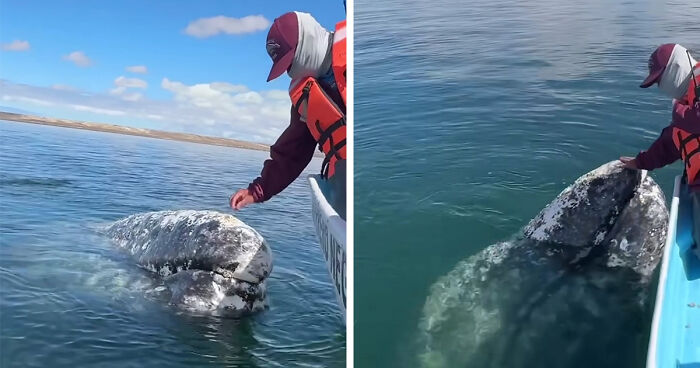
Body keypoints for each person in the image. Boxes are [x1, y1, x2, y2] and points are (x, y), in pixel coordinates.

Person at [229, 12, 347, 219]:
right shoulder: (308, 97)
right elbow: (292, 152)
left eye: (290, 62)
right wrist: (257, 191)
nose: (289, 72)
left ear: (306, 45)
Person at [619, 43, 700, 248]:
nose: (660, 88)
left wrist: (678, 113)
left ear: (676, 68)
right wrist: (641, 161)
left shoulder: (686, 107)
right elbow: (672, 141)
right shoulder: (686, 103)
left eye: (659, 80)